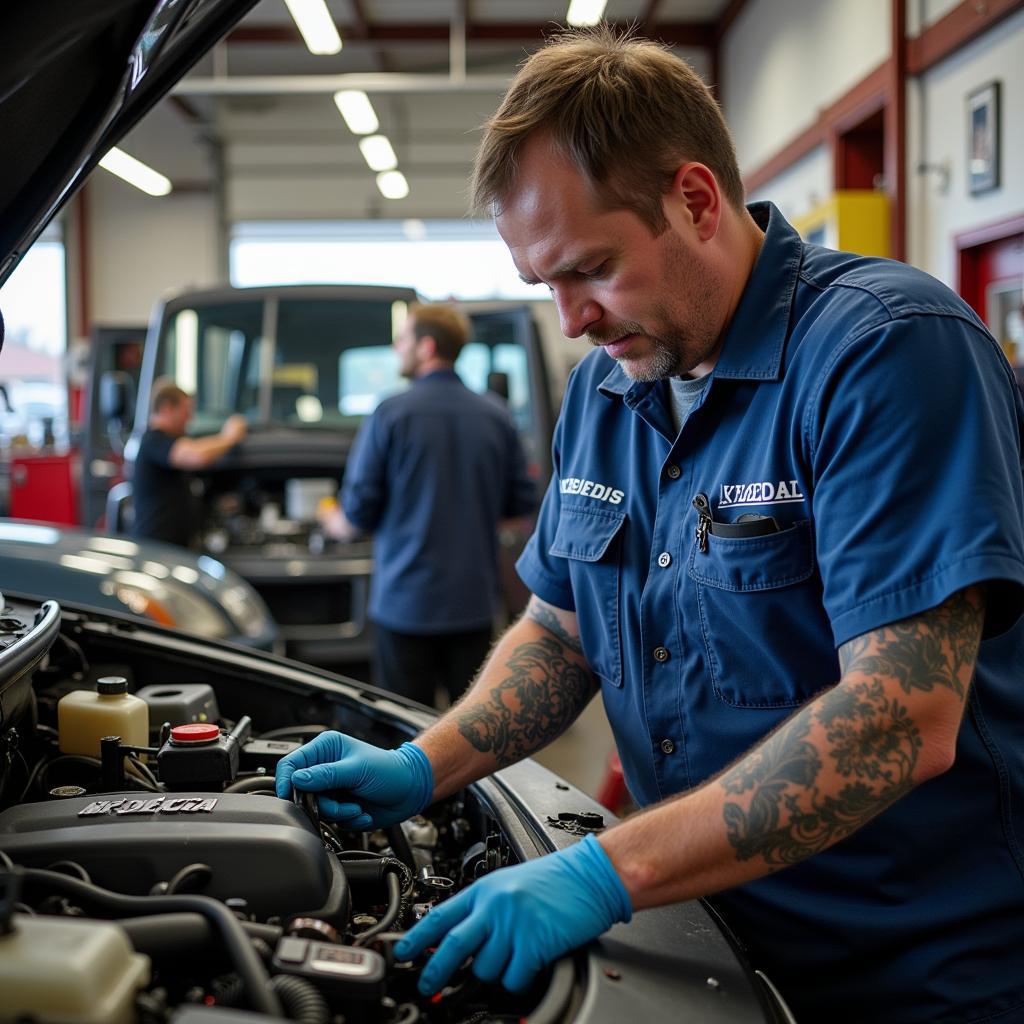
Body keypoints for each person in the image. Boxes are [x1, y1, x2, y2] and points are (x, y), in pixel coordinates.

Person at [277, 28, 1024, 1023]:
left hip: (911, 968)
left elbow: (899, 717)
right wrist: (428, 763)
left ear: (695, 199)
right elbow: (559, 631)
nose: (571, 319)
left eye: (589, 269)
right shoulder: (605, 387)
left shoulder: (886, 353)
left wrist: (599, 873)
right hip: (702, 926)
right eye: (545, 285)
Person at [319, 302, 536, 707]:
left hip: (405, 608)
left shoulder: (389, 414)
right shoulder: (496, 414)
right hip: (473, 605)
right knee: (472, 729)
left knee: (405, 733)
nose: (395, 346)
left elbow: (356, 516)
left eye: (402, 338)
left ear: (427, 346)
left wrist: (328, 517)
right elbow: (519, 503)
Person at [130, 379, 247, 546]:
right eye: (186, 412)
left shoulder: (166, 441)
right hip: (157, 551)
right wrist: (229, 437)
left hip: (172, 551)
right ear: (167, 408)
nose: (189, 419)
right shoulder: (153, 441)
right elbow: (197, 456)